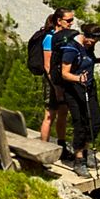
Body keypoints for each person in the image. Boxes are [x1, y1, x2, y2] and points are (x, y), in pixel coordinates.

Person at [54, 20, 97, 166]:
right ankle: (79, 159)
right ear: (85, 35)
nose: (93, 43)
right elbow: (64, 73)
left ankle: (85, 151)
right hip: (73, 89)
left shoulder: (88, 46)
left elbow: (87, 60)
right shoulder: (71, 48)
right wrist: (78, 78)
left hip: (89, 87)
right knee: (80, 122)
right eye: (91, 40)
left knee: (95, 121)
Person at [35, 9, 73, 145]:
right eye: (68, 20)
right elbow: (47, 66)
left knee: (63, 113)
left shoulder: (64, 37)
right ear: (59, 21)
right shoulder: (49, 38)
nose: (71, 23)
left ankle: (61, 144)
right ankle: (43, 147)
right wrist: (56, 87)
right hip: (52, 82)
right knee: (50, 115)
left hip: (63, 81)